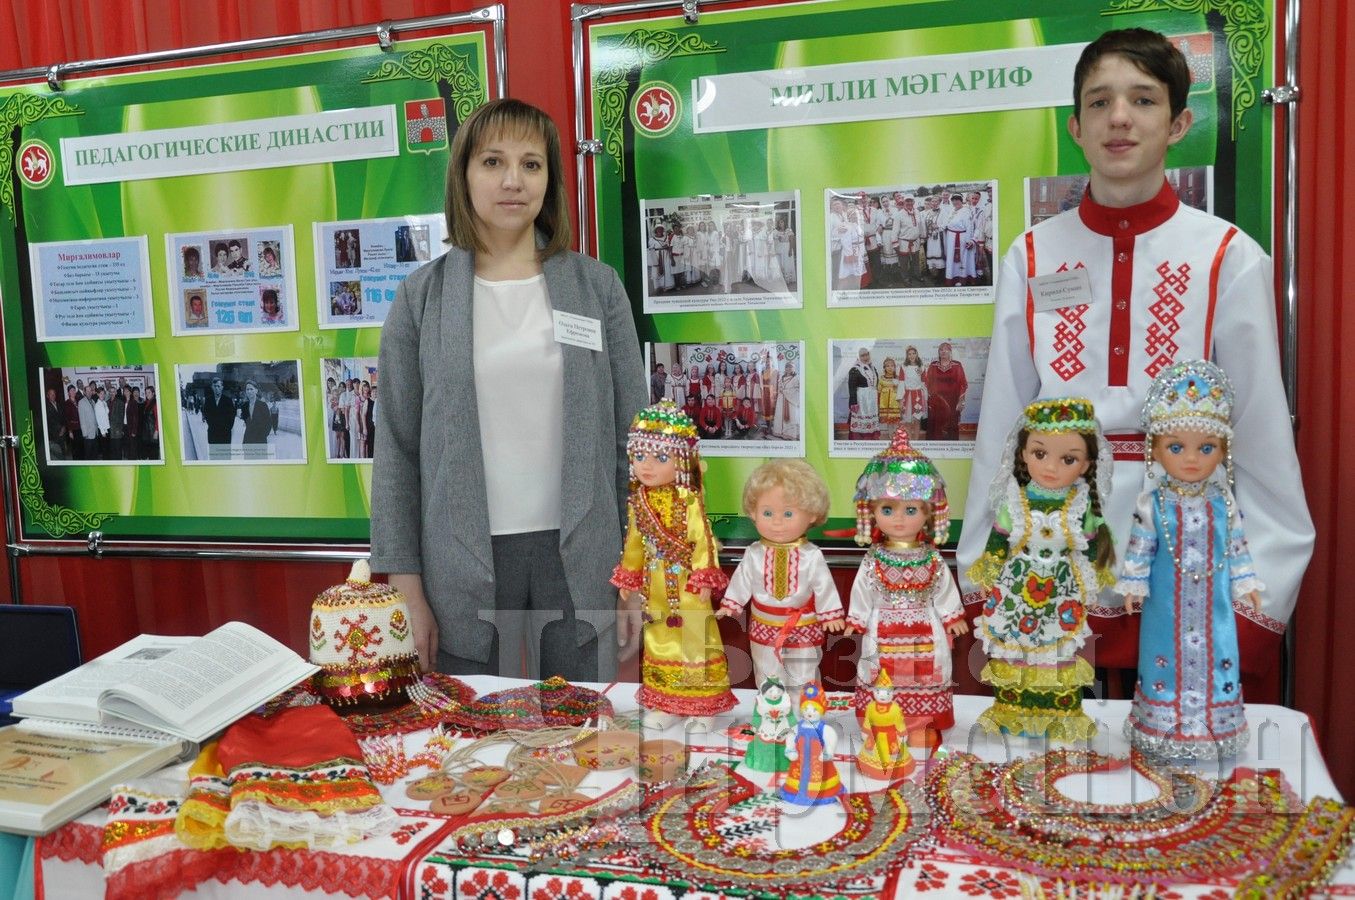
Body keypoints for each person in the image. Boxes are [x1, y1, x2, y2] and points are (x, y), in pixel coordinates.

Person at [956, 29, 1313, 686]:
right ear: (1074, 127)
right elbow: (1002, 425)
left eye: (1141, 100)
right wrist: (982, 566)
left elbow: (1260, 437)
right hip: (1052, 554)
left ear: (1178, 122)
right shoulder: (1030, 255)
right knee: (1051, 756)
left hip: (1184, 555)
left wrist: (1260, 589)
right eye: (1099, 102)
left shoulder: (1226, 256)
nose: (1118, 117)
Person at [371, 98, 646, 682]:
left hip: (584, 554)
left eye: (532, 164)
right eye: (493, 162)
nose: (513, 181)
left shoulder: (596, 287)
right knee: (469, 742)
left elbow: (637, 443)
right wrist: (406, 588)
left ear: (550, 179)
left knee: (580, 739)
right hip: (460, 558)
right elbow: (396, 447)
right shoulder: (422, 298)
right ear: (463, 175)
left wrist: (637, 568)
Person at [1117, 361, 1259, 759]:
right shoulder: (1154, 503)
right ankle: (1162, 726)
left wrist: (1245, 582)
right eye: (1176, 448)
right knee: (1164, 660)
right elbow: (1141, 547)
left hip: (1214, 604)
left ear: (1223, 452)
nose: (1192, 460)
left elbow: (1237, 546)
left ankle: (1215, 726)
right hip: (1165, 604)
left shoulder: (1222, 502)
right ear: (1156, 451)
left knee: (1218, 653)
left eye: (1206, 448)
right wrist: (1134, 583)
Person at [967, 398, 1114, 741]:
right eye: (1039, 454)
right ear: (1023, 454)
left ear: (1087, 463)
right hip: (1018, 588)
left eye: (1068, 459)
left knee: (1057, 649)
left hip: (1061, 590)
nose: (1051, 467)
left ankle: (1056, 713)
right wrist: (990, 575)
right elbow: (997, 542)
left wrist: (1089, 583)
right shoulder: (1015, 501)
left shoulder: (1081, 504)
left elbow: (1092, 548)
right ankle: (1013, 712)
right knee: (1014, 647)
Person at [611, 401, 734, 730]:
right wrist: (629, 576)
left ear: (680, 459)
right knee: (659, 637)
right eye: (639, 456)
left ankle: (702, 706)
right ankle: (667, 703)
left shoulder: (688, 499)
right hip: (655, 587)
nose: (647, 466)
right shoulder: (640, 501)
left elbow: (702, 539)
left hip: (689, 585)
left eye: (660, 458)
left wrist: (704, 574)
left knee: (694, 638)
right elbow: (635, 543)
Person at [845, 427, 967, 739]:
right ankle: (881, 721)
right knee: (879, 671)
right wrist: (856, 620)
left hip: (925, 626)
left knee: (927, 671)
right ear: (872, 513)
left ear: (928, 514)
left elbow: (943, 589)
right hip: (882, 626)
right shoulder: (873, 559)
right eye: (888, 509)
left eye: (910, 510)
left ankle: (922, 723)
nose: (899, 519)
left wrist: (952, 616)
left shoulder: (932, 558)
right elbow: (863, 591)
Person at [717, 459, 844, 693]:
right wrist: (731, 604)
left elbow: (824, 586)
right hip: (764, 624)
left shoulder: (811, 555)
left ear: (812, 514)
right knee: (767, 671)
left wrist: (829, 614)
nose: (777, 522)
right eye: (767, 512)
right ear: (753, 513)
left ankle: (805, 713)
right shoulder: (754, 553)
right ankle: (771, 714)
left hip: (802, 626)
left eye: (788, 513)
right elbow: (742, 580)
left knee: (803, 672)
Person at [924, 342, 967, 440]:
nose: (943, 352)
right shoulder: (933, 365)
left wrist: (961, 401)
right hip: (936, 402)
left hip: (952, 401)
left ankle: (951, 449)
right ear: (938, 352)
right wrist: (931, 398)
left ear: (950, 352)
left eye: (946, 349)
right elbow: (927, 382)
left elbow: (963, 383)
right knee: (935, 425)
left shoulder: (957, 366)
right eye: (941, 350)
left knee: (951, 423)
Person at [847, 347, 879, 440]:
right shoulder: (855, 370)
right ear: (858, 357)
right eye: (863, 355)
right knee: (860, 422)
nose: (866, 357)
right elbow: (851, 388)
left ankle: (870, 440)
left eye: (867, 354)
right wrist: (853, 403)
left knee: (870, 422)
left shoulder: (872, 368)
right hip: (861, 400)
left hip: (871, 399)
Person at [899, 346, 928, 441]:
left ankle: (916, 441)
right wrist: (900, 399)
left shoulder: (922, 367)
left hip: (918, 396)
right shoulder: (904, 367)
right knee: (907, 421)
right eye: (909, 354)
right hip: (907, 396)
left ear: (917, 354)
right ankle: (909, 441)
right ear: (907, 355)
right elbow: (901, 382)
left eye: (913, 353)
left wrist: (926, 398)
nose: (911, 356)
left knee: (917, 420)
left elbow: (924, 383)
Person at [202, 377, 236, 447]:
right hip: (213, 434)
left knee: (225, 457)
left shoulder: (228, 401)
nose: (216, 388)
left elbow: (231, 417)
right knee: (214, 456)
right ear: (212, 387)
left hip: (225, 435)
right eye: (215, 386)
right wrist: (215, 426)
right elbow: (207, 415)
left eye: (218, 386)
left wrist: (226, 428)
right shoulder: (208, 400)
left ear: (222, 387)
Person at [773, 360, 799, 439]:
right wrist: (780, 389)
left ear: (794, 369)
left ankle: (790, 434)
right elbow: (779, 386)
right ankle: (780, 432)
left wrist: (785, 391)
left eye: (791, 367)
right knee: (780, 414)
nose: (788, 369)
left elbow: (798, 390)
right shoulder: (782, 377)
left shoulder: (796, 378)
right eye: (787, 367)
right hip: (781, 399)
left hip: (790, 400)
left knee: (792, 415)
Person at [239, 380, 271, 445]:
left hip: (260, 440)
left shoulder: (263, 405)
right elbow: (246, 421)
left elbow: (268, 424)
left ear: (256, 391)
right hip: (248, 440)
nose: (249, 391)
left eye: (251, 389)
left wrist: (263, 436)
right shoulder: (244, 406)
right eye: (247, 389)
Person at [44, 387, 66, 460]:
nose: (53, 396)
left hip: (62, 433)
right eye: (51, 394)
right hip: (54, 435)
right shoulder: (46, 407)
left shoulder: (59, 405)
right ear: (48, 396)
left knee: (63, 453)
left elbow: (63, 417)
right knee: (56, 454)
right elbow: (50, 421)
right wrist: (60, 429)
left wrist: (63, 428)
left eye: (54, 394)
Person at [141, 385, 160, 460]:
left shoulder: (155, 403)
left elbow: (158, 418)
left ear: (153, 393)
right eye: (146, 393)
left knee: (154, 454)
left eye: (149, 392)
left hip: (153, 431)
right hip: (147, 432)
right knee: (149, 452)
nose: (147, 394)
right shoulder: (146, 402)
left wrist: (156, 431)